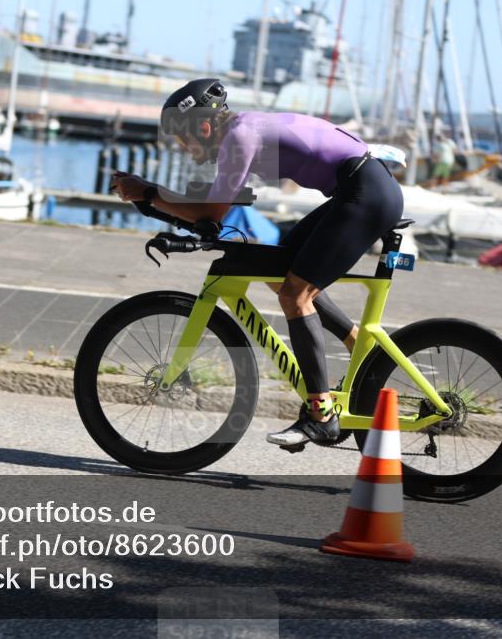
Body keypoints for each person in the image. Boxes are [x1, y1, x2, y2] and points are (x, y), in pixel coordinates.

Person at [111, 78, 404, 447]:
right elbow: (214, 209)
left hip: (365, 193)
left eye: (183, 139)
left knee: (295, 296)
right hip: (361, 189)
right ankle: (357, 342)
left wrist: (149, 194)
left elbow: (211, 214)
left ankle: (321, 414)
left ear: (203, 127)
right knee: (278, 270)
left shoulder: (239, 136)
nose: (184, 149)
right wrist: (153, 201)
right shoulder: (242, 131)